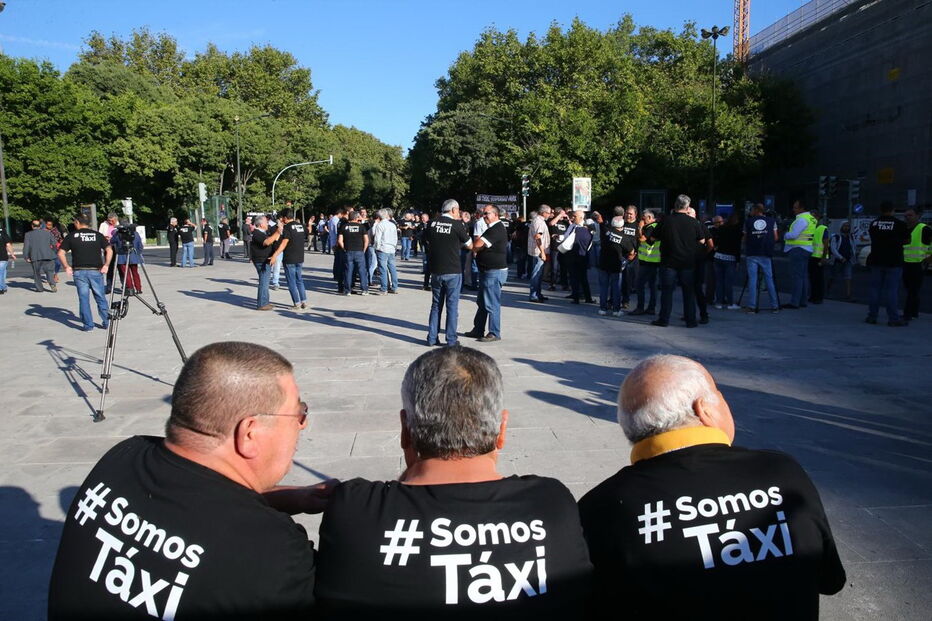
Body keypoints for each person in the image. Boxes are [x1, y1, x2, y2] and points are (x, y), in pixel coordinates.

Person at [48, 342, 331, 620]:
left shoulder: (122, 457)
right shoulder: (270, 550)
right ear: (249, 433)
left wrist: (293, 498)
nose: (302, 424)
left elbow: (190, 511)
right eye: (299, 413)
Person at [314, 345, 593, 618]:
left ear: (405, 430)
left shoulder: (356, 510)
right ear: (502, 430)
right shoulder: (551, 504)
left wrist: (284, 499)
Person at [578, 354, 846, 619]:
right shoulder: (781, 472)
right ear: (704, 409)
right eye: (720, 393)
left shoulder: (599, 509)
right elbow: (830, 579)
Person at [649, 195, 705, 328]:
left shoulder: (666, 220)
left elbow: (652, 238)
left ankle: (664, 319)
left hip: (669, 261)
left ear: (675, 205)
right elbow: (702, 240)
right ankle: (691, 320)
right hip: (687, 262)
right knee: (688, 292)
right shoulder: (693, 222)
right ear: (687, 207)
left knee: (667, 292)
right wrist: (692, 249)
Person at [426, 199, 471, 346]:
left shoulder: (432, 223)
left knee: (436, 305)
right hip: (453, 270)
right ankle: (451, 340)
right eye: (458, 210)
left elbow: (426, 240)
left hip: (436, 270)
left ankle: (432, 338)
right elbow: (469, 244)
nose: (458, 213)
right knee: (452, 306)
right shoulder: (457, 225)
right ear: (453, 210)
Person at [57, 215, 113, 331]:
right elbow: (109, 250)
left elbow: (60, 253)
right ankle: (107, 322)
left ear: (77, 222)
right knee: (100, 297)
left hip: (79, 271)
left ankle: (88, 325)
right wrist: (106, 265)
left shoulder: (72, 236)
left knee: (83, 299)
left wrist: (66, 266)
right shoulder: (97, 235)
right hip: (95, 270)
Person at [465, 205, 509, 342]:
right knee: (482, 302)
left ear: (495, 214)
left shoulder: (496, 228)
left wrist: (475, 247)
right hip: (487, 270)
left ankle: (494, 332)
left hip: (494, 271)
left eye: (487, 213)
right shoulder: (492, 228)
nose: (484, 216)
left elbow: (477, 245)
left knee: (491, 303)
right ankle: (478, 329)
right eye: (483, 213)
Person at [865, 202, 909, 326]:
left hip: (876, 259)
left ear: (880, 210)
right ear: (893, 210)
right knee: (891, 290)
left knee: (875, 289)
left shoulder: (874, 224)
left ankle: (872, 316)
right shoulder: (899, 224)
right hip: (894, 261)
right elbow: (907, 240)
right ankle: (893, 318)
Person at [742, 203, 780, 313]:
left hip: (752, 253)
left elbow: (744, 238)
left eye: (751, 210)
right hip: (766, 253)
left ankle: (752, 306)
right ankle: (775, 306)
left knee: (752, 280)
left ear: (755, 210)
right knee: (769, 279)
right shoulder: (772, 221)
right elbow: (776, 237)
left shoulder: (748, 222)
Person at [270, 208, 308, 310]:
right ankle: (304, 301)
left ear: (285, 218)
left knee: (291, 282)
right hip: (300, 257)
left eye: (282, 218)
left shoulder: (287, 227)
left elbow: (284, 243)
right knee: (299, 280)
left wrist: (275, 255)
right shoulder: (300, 226)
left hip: (290, 258)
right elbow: (306, 234)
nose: (281, 219)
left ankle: (297, 303)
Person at [782, 200, 816, 309]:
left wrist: (785, 235)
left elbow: (793, 235)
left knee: (797, 277)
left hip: (798, 249)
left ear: (802, 208)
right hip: (807, 249)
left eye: (795, 207)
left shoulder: (801, 219)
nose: (793, 209)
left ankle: (794, 302)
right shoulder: (811, 218)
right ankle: (803, 301)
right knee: (803, 276)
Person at [597, 216, 630, 317]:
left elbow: (601, 224)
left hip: (603, 264)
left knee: (603, 287)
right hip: (616, 265)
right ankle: (616, 310)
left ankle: (602, 309)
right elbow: (631, 250)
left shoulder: (606, 232)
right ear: (622, 226)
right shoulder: (624, 237)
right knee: (616, 288)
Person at [902, 208, 931, 319]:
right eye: (906, 215)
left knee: (913, 290)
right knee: (910, 289)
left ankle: (907, 314)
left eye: (910, 215)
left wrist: (929, 258)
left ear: (918, 216)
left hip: (918, 263)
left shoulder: (924, 229)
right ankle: (914, 312)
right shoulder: (904, 228)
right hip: (905, 263)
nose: (907, 217)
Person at [630, 210, 660, 316]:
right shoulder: (654, 226)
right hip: (650, 260)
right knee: (652, 286)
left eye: (643, 218)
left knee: (639, 284)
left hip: (648, 260)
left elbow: (642, 239)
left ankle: (640, 307)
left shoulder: (651, 227)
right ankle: (651, 308)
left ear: (650, 217)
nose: (641, 220)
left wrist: (640, 228)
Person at [250, 215, 281, 311]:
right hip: (262, 260)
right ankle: (262, 304)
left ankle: (265, 301)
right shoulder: (257, 233)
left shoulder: (263, 232)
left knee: (265, 281)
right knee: (264, 282)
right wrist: (277, 232)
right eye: (266, 222)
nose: (268, 224)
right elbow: (266, 242)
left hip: (265, 259)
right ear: (260, 224)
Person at [563, 209, 595, 304]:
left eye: (575, 216)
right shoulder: (584, 229)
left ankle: (578, 297)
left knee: (576, 277)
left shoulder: (576, 229)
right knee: (582, 278)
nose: (572, 218)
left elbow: (567, 239)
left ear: (581, 218)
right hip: (582, 256)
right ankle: (586, 297)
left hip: (576, 255)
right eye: (572, 216)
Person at [711, 212, 742, 310]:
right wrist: (738, 260)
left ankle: (718, 302)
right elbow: (737, 247)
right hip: (730, 258)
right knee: (728, 282)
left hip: (718, 256)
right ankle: (730, 303)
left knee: (719, 281)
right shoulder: (737, 231)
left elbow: (716, 241)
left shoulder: (722, 228)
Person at [338, 210, 369, 295]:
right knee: (362, 271)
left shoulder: (344, 227)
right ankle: (364, 289)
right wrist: (364, 249)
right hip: (359, 251)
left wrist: (344, 248)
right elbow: (366, 240)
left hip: (348, 251)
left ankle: (348, 290)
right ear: (356, 218)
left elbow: (340, 240)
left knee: (348, 271)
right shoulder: (362, 227)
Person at [23, 219, 58, 292]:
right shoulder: (48, 233)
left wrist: (26, 256)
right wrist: (53, 252)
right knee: (49, 271)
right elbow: (54, 244)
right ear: (40, 226)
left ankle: (39, 288)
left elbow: (26, 246)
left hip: (35, 256)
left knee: (37, 273)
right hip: (48, 255)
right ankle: (52, 283)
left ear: (32, 226)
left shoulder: (28, 234)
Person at [112, 219, 145, 294]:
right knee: (135, 273)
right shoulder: (135, 233)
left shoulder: (118, 234)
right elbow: (140, 245)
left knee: (126, 273)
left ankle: (130, 289)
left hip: (122, 256)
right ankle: (138, 288)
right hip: (133, 255)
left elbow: (112, 241)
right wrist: (138, 253)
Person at [827, 220, 856, 301]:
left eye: (848, 226)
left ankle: (848, 295)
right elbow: (833, 249)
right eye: (845, 226)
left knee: (848, 277)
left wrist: (852, 257)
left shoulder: (851, 237)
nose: (847, 228)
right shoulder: (836, 237)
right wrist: (840, 257)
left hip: (848, 260)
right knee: (833, 277)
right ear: (841, 227)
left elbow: (853, 247)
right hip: (837, 261)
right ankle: (828, 292)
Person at [528, 205, 552, 303]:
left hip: (538, 251)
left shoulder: (538, 221)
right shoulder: (539, 222)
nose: (550, 215)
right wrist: (542, 252)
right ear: (544, 213)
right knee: (536, 274)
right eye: (549, 213)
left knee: (538, 274)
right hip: (538, 252)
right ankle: (534, 295)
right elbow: (538, 237)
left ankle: (538, 293)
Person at [373, 208, 400, 294]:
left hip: (383, 248)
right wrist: (394, 247)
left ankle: (384, 288)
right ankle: (394, 287)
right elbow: (395, 237)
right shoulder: (392, 225)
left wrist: (376, 248)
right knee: (392, 268)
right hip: (391, 248)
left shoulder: (380, 225)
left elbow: (377, 239)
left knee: (382, 269)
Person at [619, 206, 639, 309]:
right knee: (617, 279)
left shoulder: (638, 226)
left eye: (631, 214)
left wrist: (634, 253)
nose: (628, 215)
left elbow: (640, 241)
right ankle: (613, 300)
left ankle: (625, 300)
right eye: (627, 213)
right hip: (620, 255)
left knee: (627, 280)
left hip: (632, 257)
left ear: (635, 214)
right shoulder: (621, 224)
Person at [807, 209, 828, 304]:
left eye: (813, 217)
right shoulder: (810, 228)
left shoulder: (822, 228)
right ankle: (813, 296)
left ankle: (819, 298)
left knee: (818, 279)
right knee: (812, 278)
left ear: (818, 217)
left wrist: (824, 257)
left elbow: (826, 243)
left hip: (819, 257)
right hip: (811, 256)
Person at [329, 208, 347, 292]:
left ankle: (336, 274)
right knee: (338, 261)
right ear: (340, 213)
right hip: (336, 242)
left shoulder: (331, 219)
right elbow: (338, 232)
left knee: (336, 260)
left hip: (333, 240)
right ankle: (337, 275)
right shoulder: (336, 220)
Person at [0, 225, 15, 294]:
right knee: (2, 272)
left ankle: (2, 286)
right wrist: (12, 254)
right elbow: (8, 245)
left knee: (2, 272)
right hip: (2, 256)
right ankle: (2, 287)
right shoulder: (3, 234)